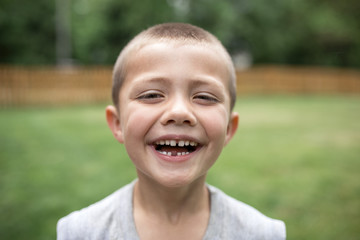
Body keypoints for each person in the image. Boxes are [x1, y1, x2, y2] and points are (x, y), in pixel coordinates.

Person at [57, 22, 286, 240]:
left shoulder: (263, 233)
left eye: (204, 97)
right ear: (117, 124)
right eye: (151, 95)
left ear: (228, 129)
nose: (179, 112)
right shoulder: (79, 231)